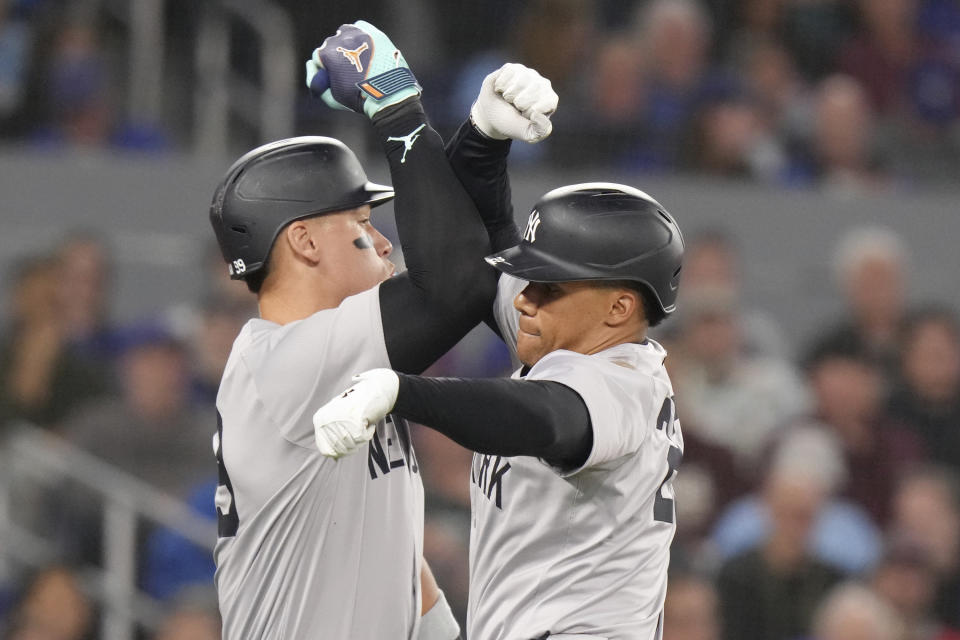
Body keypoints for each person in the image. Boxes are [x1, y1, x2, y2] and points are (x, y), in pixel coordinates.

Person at [208, 20, 557, 640]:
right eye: (363, 223)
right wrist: (396, 105)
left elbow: (392, 559)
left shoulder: (336, 355)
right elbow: (454, 284)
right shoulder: (288, 361)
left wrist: (479, 143)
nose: (386, 244)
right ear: (305, 240)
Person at [313, 182, 686, 639]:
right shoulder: (569, 342)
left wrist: (402, 392)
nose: (525, 298)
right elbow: (489, 239)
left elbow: (547, 419)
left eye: (550, 286)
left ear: (619, 306)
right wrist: (485, 134)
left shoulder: (623, 380)